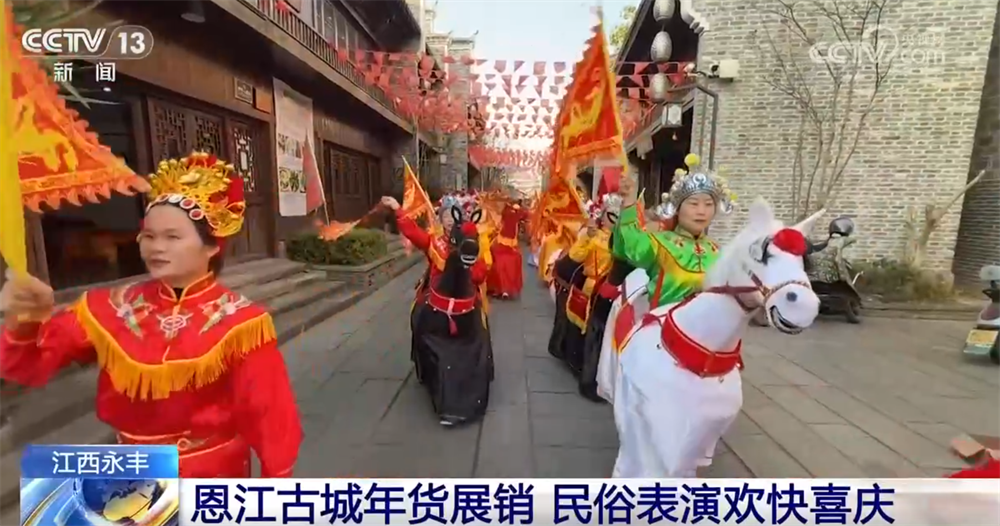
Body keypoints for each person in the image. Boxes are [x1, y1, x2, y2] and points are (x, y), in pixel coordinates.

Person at [0, 152, 302, 477]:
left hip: (211, 471)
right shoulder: (109, 306)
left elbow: (271, 416)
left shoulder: (242, 323)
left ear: (212, 246)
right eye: (149, 236)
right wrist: (26, 321)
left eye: (172, 237)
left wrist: (275, 488)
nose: (156, 247)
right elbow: (26, 366)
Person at [612, 154, 732, 311]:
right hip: (662, 322)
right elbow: (631, 247)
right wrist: (629, 202)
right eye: (694, 204)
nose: (701, 211)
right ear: (677, 208)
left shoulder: (719, 252)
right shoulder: (660, 243)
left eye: (708, 204)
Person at [487, 201, 528, 299]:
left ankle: (501, 289)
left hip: (504, 245)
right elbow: (524, 215)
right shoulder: (515, 214)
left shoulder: (506, 213)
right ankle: (504, 289)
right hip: (509, 245)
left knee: (498, 266)